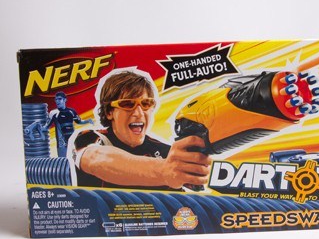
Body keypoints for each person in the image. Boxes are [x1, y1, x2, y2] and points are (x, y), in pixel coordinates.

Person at [71, 70, 211, 190]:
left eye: (146, 104)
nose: (139, 113)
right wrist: (164, 171)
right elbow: (96, 159)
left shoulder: (167, 154)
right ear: (109, 112)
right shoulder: (88, 138)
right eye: (127, 104)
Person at [43, 91, 93, 157]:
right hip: (62, 144)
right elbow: (46, 127)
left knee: (75, 159)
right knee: (64, 161)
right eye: (56, 99)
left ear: (65, 100)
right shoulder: (53, 113)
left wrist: (87, 121)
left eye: (59, 99)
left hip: (73, 141)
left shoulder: (72, 111)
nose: (57, 101)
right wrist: (38, 127)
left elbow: (79, 121)